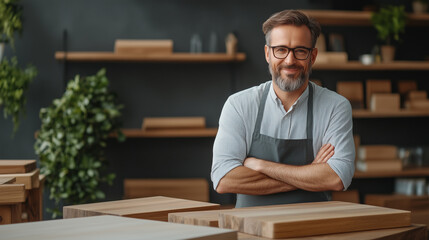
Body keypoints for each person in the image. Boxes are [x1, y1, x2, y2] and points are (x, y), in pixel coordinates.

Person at [211, 9, 355, 208]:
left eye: (300, 51)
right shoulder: (239, 105)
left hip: (314, 228)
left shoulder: (335, 107)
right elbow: (224, 179)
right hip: (251, 230)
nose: (289, 60)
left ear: (312, 56)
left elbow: (336, 178)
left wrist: (262, 166)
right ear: (267, 54)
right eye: (281, 49)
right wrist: (310, 173)